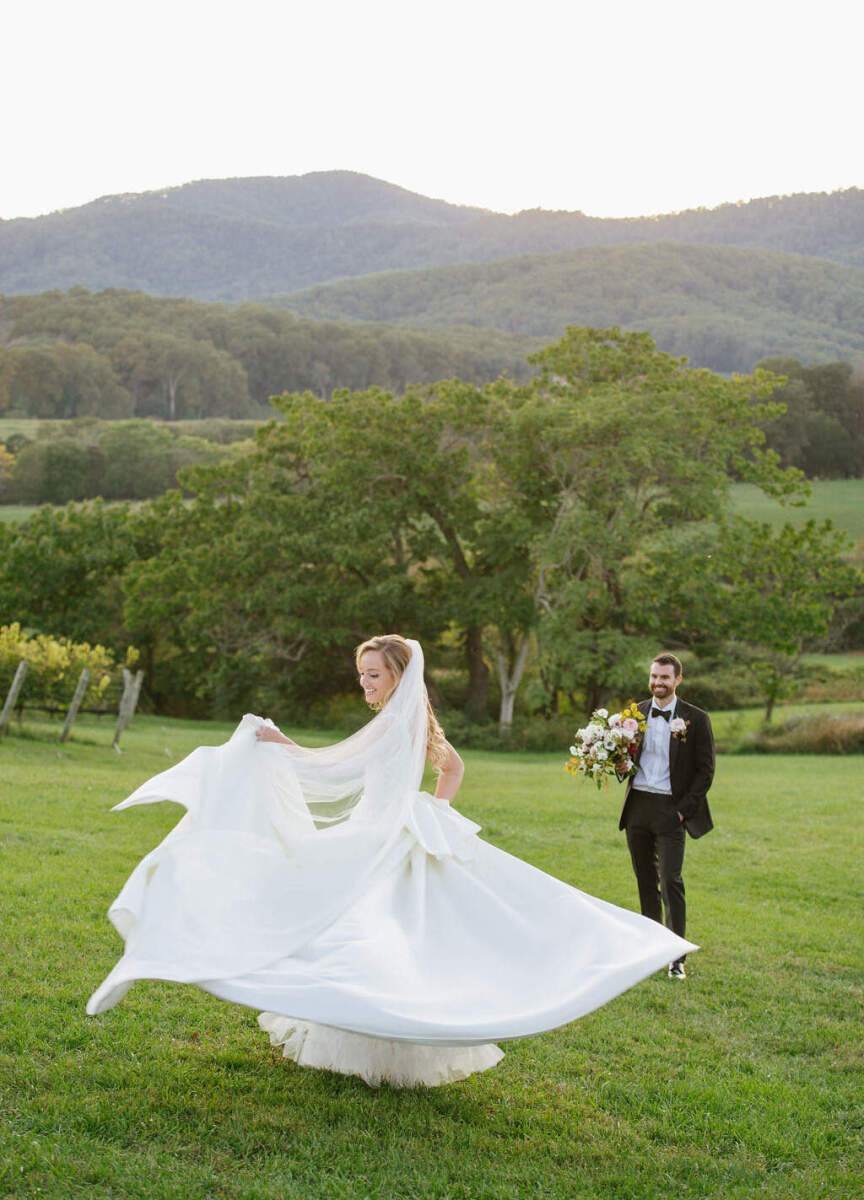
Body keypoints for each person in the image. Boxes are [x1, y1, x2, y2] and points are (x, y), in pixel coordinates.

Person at [87, 635, 695, 1088]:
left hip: (380, 841)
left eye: (372, 674)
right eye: (361, 675)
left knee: (349, 926)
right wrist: (428, 808)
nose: (365, 684)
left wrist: (286, 748)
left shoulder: (397, 724)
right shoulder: (408, 721)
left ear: (397, 675)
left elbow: (337, 766)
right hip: (381, 832)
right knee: (363, 930)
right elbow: (451, 767)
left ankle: (366, 1028)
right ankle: (366, 1029)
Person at [618, 653, 715, 981]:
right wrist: (619, 768)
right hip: (638, 807)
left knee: (670, 880)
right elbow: (625, 760)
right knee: (645, 881)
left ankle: (676, 956)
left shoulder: (696, 719)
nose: (658, 682)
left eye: (664, 678)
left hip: (671, 811)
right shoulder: (636, 714)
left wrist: (681, 811)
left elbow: (705, 772)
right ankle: (650, 948)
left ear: (677, 680)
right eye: (654, 677)